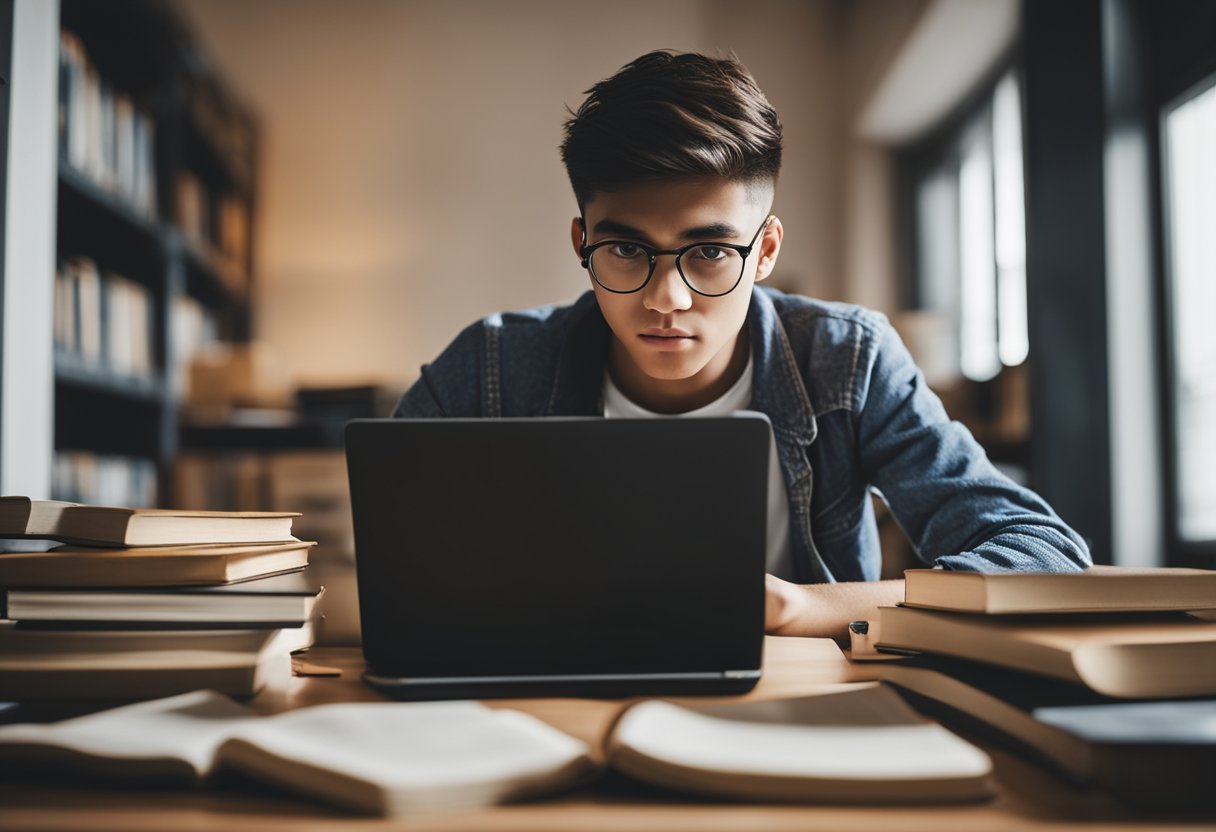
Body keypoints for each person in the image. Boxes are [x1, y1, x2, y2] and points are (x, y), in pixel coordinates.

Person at [393, 50, 1090, 641]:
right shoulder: (487, 366)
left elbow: (1044, 557)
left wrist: (806, 606)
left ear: (765, 252)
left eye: (710, 252)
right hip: (542, 708)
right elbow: (403, 575)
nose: (667, 298)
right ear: (582, 243)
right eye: (627, 248)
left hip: (804, 711)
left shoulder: (849, 358)